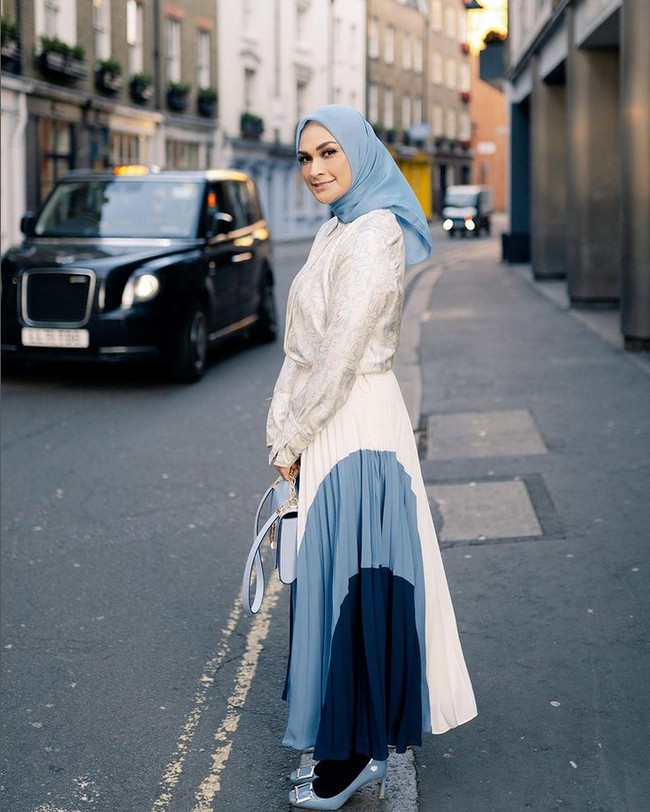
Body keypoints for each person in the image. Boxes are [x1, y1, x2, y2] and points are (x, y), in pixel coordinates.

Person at [266, 105, 477, 811]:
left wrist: (293, 435)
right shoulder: (336, 229)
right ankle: (344, 746)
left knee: (355, 590)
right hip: (326, 426)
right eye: (305, 158)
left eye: (329, 152)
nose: (316, 169)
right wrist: (282, 430)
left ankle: (356, 756)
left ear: (359, 152)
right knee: (327, 586)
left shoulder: (376, 233)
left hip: (358, 429)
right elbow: (300, 348)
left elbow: (342, 352)